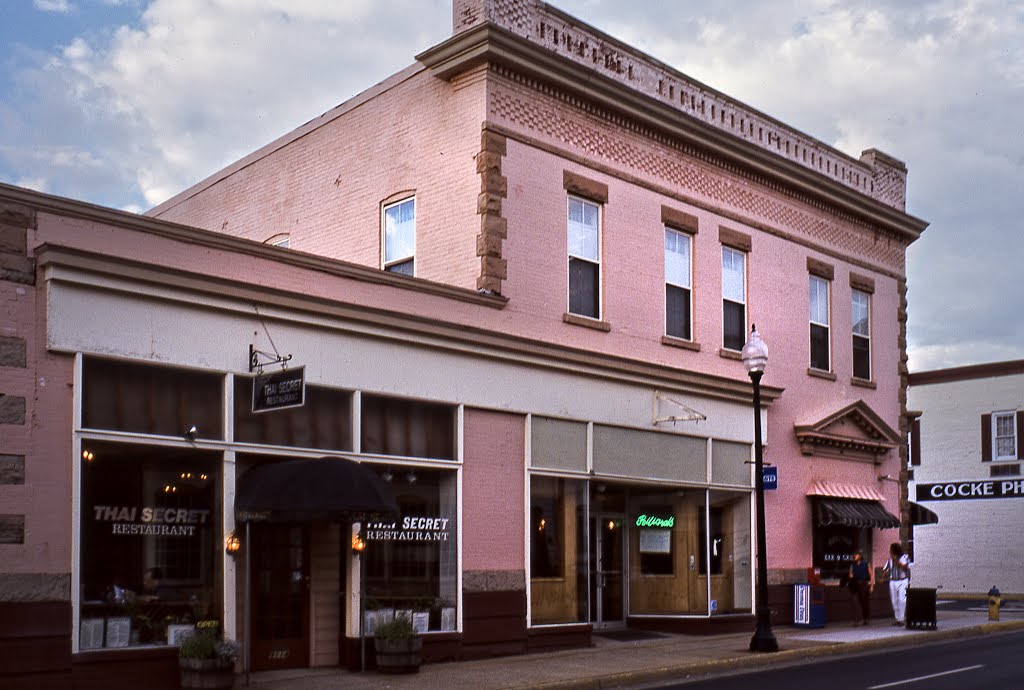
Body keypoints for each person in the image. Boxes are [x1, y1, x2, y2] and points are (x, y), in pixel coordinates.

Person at [883, 542, 911, 626]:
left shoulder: (904, 557)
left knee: (901, 599)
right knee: (894, 600)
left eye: (891, 550)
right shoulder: (889, 560)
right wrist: (882, 577)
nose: (890, 551)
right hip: (893, 581)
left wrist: (896, 560)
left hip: (903, 580)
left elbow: (904, 567)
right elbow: (886, 569)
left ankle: (902, 619)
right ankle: (898, 618)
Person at [848, 551, 874, 625]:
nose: (854, 556)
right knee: (855, 602)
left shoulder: (866, 564)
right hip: (855, 584)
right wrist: (850, 576)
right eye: (854, 555)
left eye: (855, 555)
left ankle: (865, 619)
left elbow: (871, 575)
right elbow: (850, 574)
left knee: (864, 602)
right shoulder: (853, 565)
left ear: (859, 556)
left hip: (864, 584)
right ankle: (856, 620)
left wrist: (872, 586)